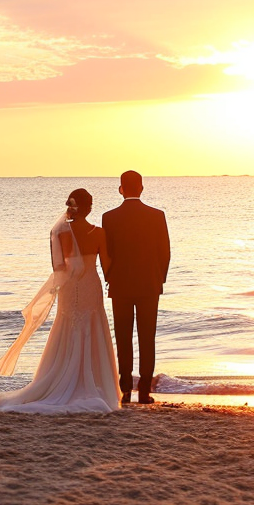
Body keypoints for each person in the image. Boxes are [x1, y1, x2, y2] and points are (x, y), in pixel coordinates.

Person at [0, 189, 121, 413]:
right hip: (90, 285)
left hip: (68, 288)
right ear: (89, 207)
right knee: (92, 327)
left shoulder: (59, 233)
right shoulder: (99, 233)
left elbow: (58, 269)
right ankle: (94, 383)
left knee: (66, 327)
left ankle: (58, 378)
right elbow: (107, 268)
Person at [101, 170, 170, 404]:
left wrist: (109, 276)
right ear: (141, 188)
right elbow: (165, 252)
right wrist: (159, 278)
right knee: (147, 337)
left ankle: (125, 389)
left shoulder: (109, 217)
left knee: (123, 337)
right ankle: (144, 392)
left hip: (120, 284)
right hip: (149, 284)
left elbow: (106, 253)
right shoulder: (157, 215)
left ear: (121, 189)